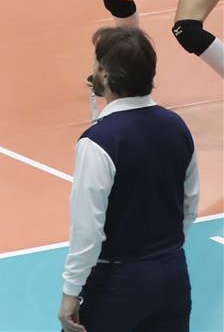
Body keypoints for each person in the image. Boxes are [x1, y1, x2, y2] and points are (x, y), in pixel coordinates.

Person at [59, 26, 198, 332]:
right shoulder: (178, 126)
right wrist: (164, 255)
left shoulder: (97, 141)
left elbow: (87, 228)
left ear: (106, 74)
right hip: (172, 276)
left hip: (115, 286)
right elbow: (189, 204)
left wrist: (71, 291)